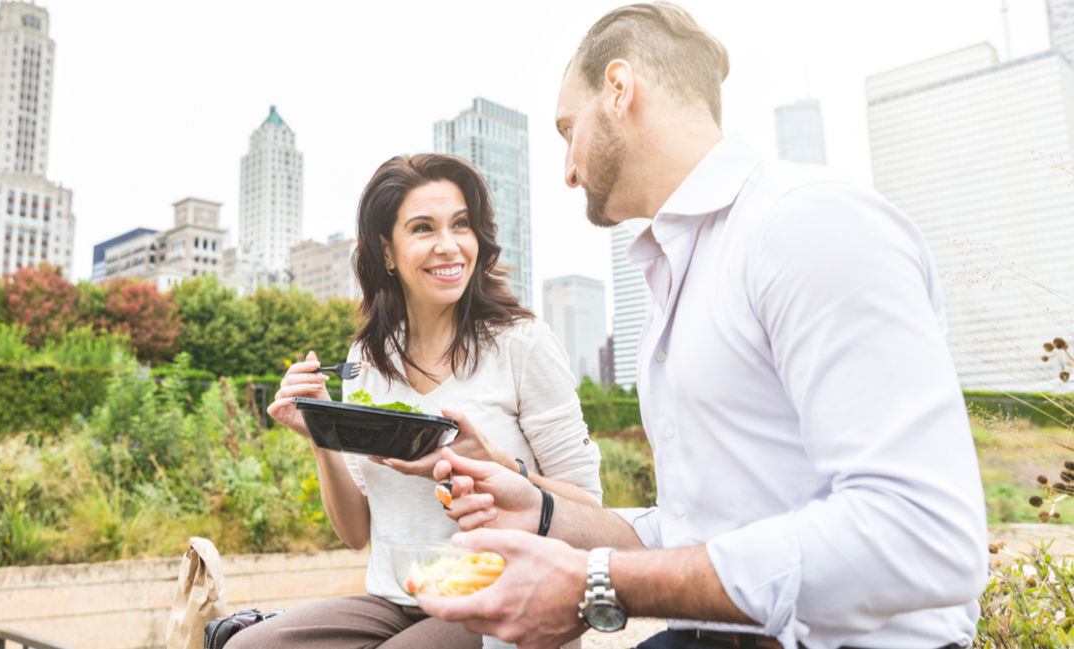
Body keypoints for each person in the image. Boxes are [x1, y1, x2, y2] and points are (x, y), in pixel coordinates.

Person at [419, 4, 988, 649]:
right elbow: (693, 535)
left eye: (567, 130)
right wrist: (539, 507)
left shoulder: (805, 225)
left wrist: (598, 582)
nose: (569, 170)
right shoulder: (673, 275)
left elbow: (922, 534)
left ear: (619, 89)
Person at [227, 153, 603, 649]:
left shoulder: (521, 343)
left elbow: (591, 513)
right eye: (423, 228)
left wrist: (498, 467)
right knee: (248, 647)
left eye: (461, 225)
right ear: (387, 251)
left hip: (503, 594)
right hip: (395, 598)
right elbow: (356, 531)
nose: (449, 247)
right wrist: (323, 431)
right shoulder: (367, 358)